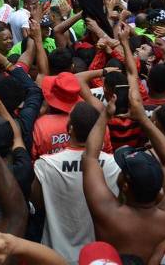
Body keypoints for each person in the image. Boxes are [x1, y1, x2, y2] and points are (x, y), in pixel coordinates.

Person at [81, 22, 165, 262]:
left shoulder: (108, 215)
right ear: (162, 187)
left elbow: (90, 157)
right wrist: (145, 121)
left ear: (125, 185)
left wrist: (106, 115)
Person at [32, 101, 121, 262]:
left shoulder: (46, 165)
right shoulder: (114, 165)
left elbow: (36, 204)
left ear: (70, 129)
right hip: (97, 257)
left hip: (55, 256)